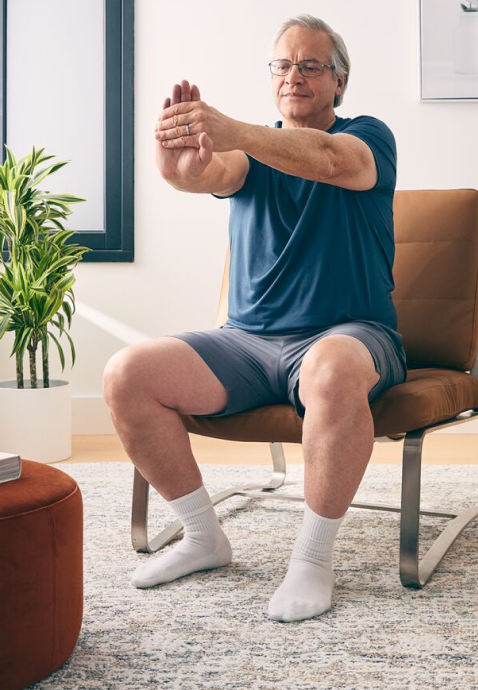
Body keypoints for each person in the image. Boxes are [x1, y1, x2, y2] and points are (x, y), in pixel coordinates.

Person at [102, 13, 407, 623]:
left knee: (330, 370)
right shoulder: (252, 151)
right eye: (283, 65)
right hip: (246, 343)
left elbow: (328, 160)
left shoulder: (368, 137)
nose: (294, 75)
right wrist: (181, 167)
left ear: (340, 82)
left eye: (311, 65)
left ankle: (312, 559)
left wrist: (229, 129)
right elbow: (216, 171)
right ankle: (202, 537)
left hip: (349, 335)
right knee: (126, 373)